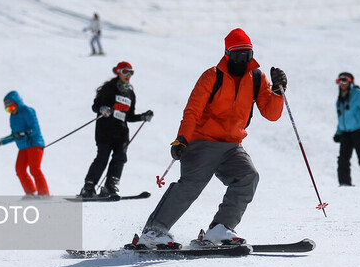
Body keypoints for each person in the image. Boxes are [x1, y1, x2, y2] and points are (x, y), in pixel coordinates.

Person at [137, 28, 287, 248]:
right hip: (202, 140)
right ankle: (154, 232)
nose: (242, 60)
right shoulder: (212, 76)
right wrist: (182, 139)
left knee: (248, 176)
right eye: (237, 55)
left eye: (247, 55)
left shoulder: (256, 77)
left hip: (232, 145)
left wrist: (277, 91)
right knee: (191, 185)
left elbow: (271, 114)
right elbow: (193, 111)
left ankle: (221, 228)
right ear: (227, 54)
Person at [80, 61, 154, 198]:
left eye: (131, 73)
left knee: (120, 157)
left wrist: (143, 117)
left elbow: (129, 116)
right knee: (102, 157)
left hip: (121, 132)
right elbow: (95, 106)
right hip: (105, 130)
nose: (128, 75)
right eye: (125, 72)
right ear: (118, 72)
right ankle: (89, 186)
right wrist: (102, 109)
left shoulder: (130, 93)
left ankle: (111, 185)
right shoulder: (109, 88)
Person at [0, 91, 50, 196]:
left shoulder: (28, 111)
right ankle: (30, 193)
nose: (11, 110)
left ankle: (44, 194)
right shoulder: (12, 117)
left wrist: (22, 134)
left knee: (34, 169)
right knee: (20, 170)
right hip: (23, 147)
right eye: (7, 109)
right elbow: (14, 135)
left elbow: (34, 129)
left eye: (11, 107)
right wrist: (2, 141)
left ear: (17, 103)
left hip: (34, 144)